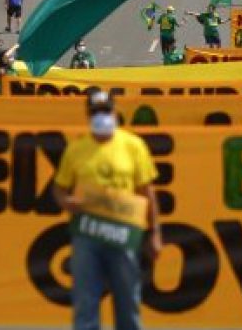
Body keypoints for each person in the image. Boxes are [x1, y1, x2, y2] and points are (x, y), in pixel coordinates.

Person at [52, 90, 161, 330]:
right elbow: (59, 188)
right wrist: (66, 202)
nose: (101, 115)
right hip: (87, 236)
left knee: (128, 303)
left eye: (105, 111)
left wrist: (154, 233)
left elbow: (147, 192)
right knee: (85, 303)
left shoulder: (133, 146)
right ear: (87, 114)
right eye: (95, 112)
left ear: (114, 111)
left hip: (123, 235)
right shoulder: (76, 149)